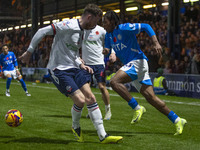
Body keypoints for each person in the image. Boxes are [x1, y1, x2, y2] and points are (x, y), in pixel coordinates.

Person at [19, 4, 122, 143]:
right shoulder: (67, 25)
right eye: (96, 21)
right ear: (89, 17)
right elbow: (42, 31)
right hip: (59, 69)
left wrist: (81, 64)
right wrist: (29, 51)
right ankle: (75, 127)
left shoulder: (83, 31)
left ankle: (103, 136)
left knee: (91, 97)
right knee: (80, 100)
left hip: (75, 67)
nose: (95, 25)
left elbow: (73, 53)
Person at [102, 10, 187, 135]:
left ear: (113, 21)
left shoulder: (125, 28)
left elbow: (146, 27)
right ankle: (177, 119)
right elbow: (108, 50)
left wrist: (156, 43)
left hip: (138, 62)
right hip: (132, 66)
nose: (103, 24)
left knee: (114, 81)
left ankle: (137, 107)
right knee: (151, 98)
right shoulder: (108, 35)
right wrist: (108, 54)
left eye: (105, 22)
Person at [81, 25, 111, 120]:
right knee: (86, 89)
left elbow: (110, 42)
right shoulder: (81, 30)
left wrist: (112, 52)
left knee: (102, 87)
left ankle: (108, 111)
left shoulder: (101, 30)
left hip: (99, 63)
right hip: (86, 64)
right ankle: (92, 111)